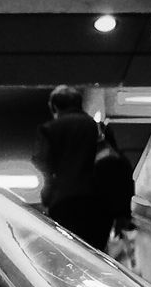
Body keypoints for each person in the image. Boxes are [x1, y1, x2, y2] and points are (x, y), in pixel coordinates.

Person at [32, 84, 108, 249]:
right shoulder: (93, 126)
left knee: (67, 246)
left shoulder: (50, 129)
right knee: (90, 247)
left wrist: (48, 189)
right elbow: (104, 157)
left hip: (63, 197)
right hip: (92, 197)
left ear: (55, 106)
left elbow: (41, 160)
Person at [95, 123, 137, 269]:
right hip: (120, 213)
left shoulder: (102, 160)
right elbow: (128, 187)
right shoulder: (120, 158)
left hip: (106, 214)